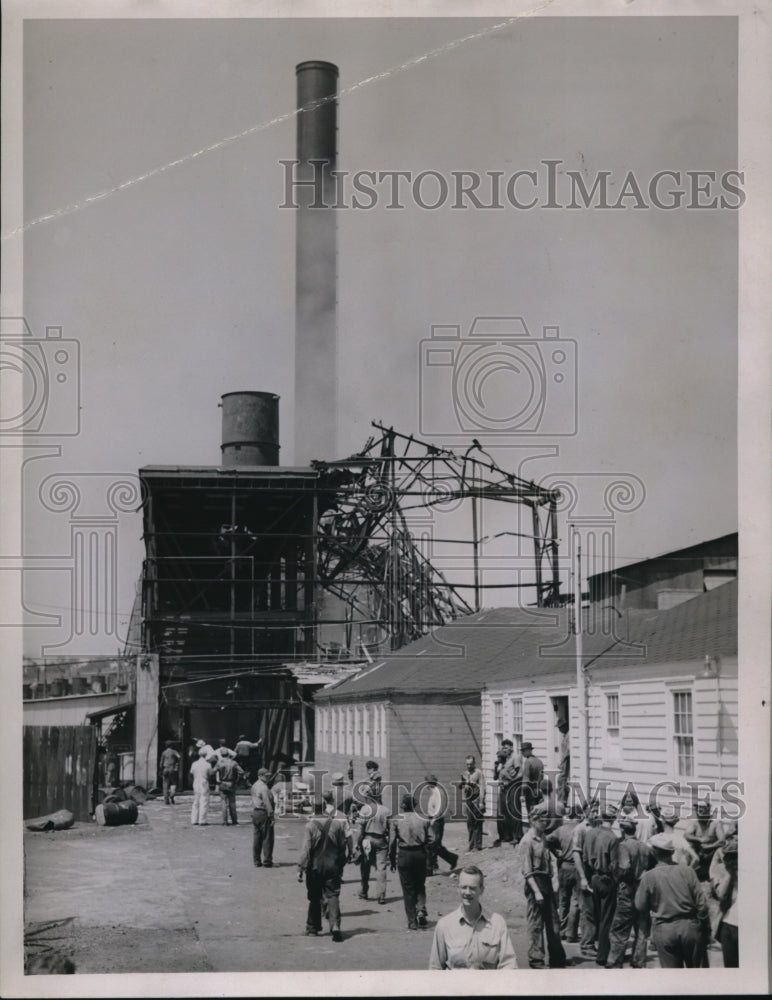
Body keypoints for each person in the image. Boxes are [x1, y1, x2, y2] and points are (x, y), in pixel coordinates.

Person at [635, 833, 710, 968]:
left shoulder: (648, 876)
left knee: (672, 977)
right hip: (689, 927)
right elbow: (702, 906)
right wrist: (704, 929)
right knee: (698, 976)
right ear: (672, 852)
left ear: (654, 852)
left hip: (664, 929)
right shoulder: (688, 872)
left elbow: (640, 906)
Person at [429, 865, 518, 969]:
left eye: (472, 888)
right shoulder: (444, 925)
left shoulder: (497, 923)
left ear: (481, 890)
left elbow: (509, 965)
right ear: (458, 889)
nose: (467, 892)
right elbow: (435, 969)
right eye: (463, 887)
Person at [298, 791, 349, 941]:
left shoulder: (310, 826)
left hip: (315, 866)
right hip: (332, 865)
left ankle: (313, 928)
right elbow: (342, 846)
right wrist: (340, 865)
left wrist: (300, 868)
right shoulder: (337, 824)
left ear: (314, 810)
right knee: (333, 895)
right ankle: (335, 925)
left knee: (314, 897)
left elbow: (306, 849)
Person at [520, 804, 566, 968]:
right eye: (542, 821)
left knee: (554, 923)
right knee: (536, 924)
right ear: (533, 820)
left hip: (546, 882)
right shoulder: (527, 841)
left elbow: (550, 860)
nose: (545, 824)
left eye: (547, 821)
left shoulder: (543, 838)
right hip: (535, 885)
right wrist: (537, 892)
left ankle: (557, 957)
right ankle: (536, 959)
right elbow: (526, 871)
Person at [606, 816, 655, 968]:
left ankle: (614, 961)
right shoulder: (645, 846)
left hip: (627, 890)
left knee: (620, 929)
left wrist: (614, 870)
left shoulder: (624, 846)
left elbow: (625, 868)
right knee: (641, 929)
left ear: (622, 829)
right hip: (643, 892)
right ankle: (639, 960)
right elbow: (652, 866)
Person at [581, 805, 619, 966]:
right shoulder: (613, 838)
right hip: (606, 879)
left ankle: (590, 944)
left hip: (591, 877)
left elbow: (584, 857)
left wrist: (586, 878)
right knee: (606, 918)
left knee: (593, 914)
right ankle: (603, 954)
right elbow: (614, 865)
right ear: (614, 819)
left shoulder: (590, 834)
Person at [389, 793, 432, 931]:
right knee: (420, 884)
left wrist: (392, 859)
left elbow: (391, 842)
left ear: (402, 806)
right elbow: (432, 838)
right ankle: (421, 909)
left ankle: (412, 921)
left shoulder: (396, 819)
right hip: (420, 853)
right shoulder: (424, 818)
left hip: (404, 854)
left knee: (408, 889)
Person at [546, 806, 581, 942]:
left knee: (563, 899)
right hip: (578, 867)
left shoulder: (561, 830)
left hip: (564, 865)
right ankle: (571, 933)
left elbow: (546, 840)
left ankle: (561, 930)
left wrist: (556, 853)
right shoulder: (583, 829)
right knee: (575, 901)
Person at [572, 801, 601, 958]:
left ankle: (593, 938)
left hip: (595, 872)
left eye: (597, 810)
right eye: (592, 811)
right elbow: (576, 854)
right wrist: (582, 877)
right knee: (587, 909)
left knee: (595, 908)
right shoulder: (580, 829)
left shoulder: (597, 827)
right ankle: (586, 944)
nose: (595, 814)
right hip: (585, 871)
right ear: (584, 812)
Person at [353, 792, 390, 904]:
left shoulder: (365, 809)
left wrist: (356, 844)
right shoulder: (386, 810)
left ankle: (364, 891)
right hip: (381, 839)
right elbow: (390, 829)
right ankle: (381, 895)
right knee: (381, 867)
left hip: (367, 840)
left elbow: (360, 829)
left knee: (365, 866)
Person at [710, 836, 738, 967]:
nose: (734, 860)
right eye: (730, 856)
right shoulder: (721, 869)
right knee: (731, 966)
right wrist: (731, 873)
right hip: (728, 923)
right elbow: (721, 894)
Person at [425, 774, 459, 875]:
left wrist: (433, 820)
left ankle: (431, 868)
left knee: (432, 844)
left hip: (436, 821)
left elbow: (439, 809)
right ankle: (451, 859)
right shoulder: (434, 791)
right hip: (433, 820)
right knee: (435, 845)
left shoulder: (438, 793)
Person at [684, 801, 725, 881]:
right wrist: (699, 839)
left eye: (701, 811)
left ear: (707, 811)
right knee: (688, 845)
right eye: (697, 811)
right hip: (699, 852)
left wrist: (709, 846)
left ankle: (713, 876)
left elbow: (722, 841)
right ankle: (687, 872)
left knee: (720, 850)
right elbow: (686, 835)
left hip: (711, 852)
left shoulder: (716, 824)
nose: (698, 813)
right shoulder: (695, 823)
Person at [493, 740, 521, 846]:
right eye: (503, 747)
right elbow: (496, 777)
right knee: (504, 811)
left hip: (513, 787)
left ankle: (517, 836)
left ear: (511, 748)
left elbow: (520, 774)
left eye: (506, 747)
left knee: (514, 811)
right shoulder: (503, 760)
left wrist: (510, 783)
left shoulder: (515, 757)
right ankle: (506, 835)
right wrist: (497, 767)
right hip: (503, 788)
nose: (504, 749)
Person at [251, 767, 275, 867]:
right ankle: (267, 861)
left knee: (257, 838)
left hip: (255, 812)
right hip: (263, 813)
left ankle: (256, 861)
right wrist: (271, 815)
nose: (268, 777)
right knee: (267, 838)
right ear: (260, 776)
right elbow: (267, 802)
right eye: (266, 776)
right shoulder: (264, 787)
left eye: (269, 776)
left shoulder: (255, 785)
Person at [460, 754, 486, 851]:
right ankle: (470, 844)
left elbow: (482, 787)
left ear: (474, 763)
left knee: (477, 823)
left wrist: (481, 802)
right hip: (469, 800)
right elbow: (462, 786)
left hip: (477, 799)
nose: (469, 766)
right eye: (467, 764)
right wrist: (464, 785)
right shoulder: (465, 773)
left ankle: (477, 845)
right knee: (470, 822)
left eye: (471, 764)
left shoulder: (478, 773)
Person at [215, 752, 245, 826]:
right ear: (228, 755)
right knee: (232, 802)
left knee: (223, 802)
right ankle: (234, 820)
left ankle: (225, 821)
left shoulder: (219, 763)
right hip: (231, 783)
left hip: (223, 783)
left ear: (221, 755)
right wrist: (237, 780)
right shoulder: (233, 762)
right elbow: (241, 772)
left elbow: (213, 771)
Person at [519, 741, 544, 821]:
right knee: (538, 813)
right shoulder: (539, 761)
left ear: (528, 750)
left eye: (523, 751)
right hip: (539, 791)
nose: (522, 753)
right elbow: (541, 777)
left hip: (530, 791)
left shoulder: (528, 762)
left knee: (531, 813)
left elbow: (526, 779)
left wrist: (522, 794)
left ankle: (532, 830)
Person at [190, 751, 214, 826]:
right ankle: (202, 820)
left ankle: (194, 820)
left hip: (196, 781)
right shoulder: (207, 764)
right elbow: (211, 774)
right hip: (204, 782)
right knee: (204, 801)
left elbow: (191, 772)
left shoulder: (194, 763)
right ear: (206, 755)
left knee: (196, 801)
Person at [159, 740, 180, 805]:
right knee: (173, 783)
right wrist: (176, 763)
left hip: (165, 769)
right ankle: (172, 794)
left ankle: (166, 800)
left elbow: (161, 763)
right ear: (172, 745)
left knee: (165, 784)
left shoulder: (164, 752)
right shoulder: (174, 751)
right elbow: (179, 757)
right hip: (172, 769)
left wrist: (160, 770)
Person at [556, 720, 570, 807]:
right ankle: (562, 800)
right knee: (562, 781)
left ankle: (562, 801)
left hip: (566, 761)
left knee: (561, 780)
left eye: (560, 728)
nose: (559, 730)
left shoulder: (568, 736)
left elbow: (568, 752)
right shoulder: (565, 736)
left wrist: (562, 763)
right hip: (564, 762)